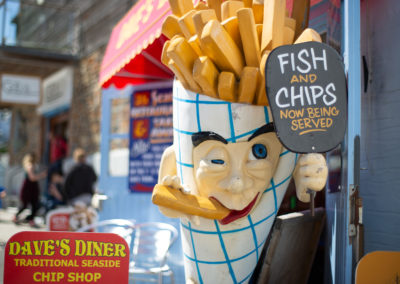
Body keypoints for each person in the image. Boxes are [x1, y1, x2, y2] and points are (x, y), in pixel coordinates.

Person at [14, 153, 47, 225]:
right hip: (29, 188)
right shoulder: (30, 166)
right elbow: (32, 178)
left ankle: (29, 219)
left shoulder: (32, 165)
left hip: (31, 188)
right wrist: (42, 175)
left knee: (34, 205)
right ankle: (18, 217)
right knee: (26, 205)